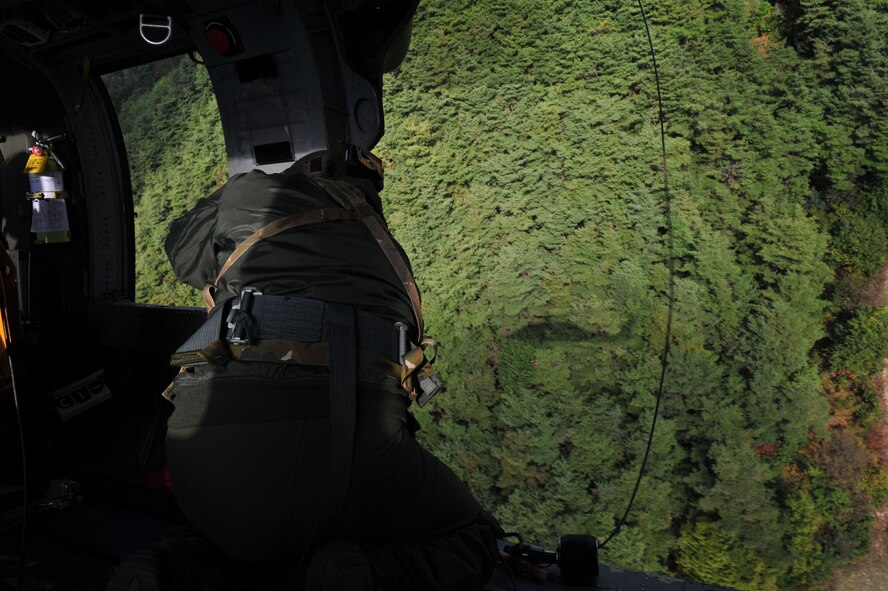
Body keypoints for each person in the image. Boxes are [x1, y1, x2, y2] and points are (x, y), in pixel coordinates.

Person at [132, 148, 502, 591]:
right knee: (474, 537)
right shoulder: (386, 252)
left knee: (250, 523)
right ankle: (351, 576)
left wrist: (229, 197)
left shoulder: (251, 192)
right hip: (351, 457)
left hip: (199, 457)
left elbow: (183, 251)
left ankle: (172, 569)